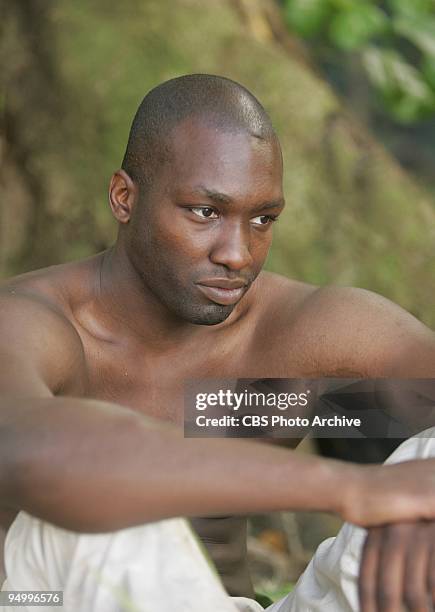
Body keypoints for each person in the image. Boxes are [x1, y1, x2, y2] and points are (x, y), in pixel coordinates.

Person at [0, 74, 435, 612]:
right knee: (102, 514)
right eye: (206, 212)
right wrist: (351, 489)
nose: (238, 254)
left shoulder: (298, 333)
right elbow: (28, 452)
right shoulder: (32, 321)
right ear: (123, 198)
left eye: (262, 219)